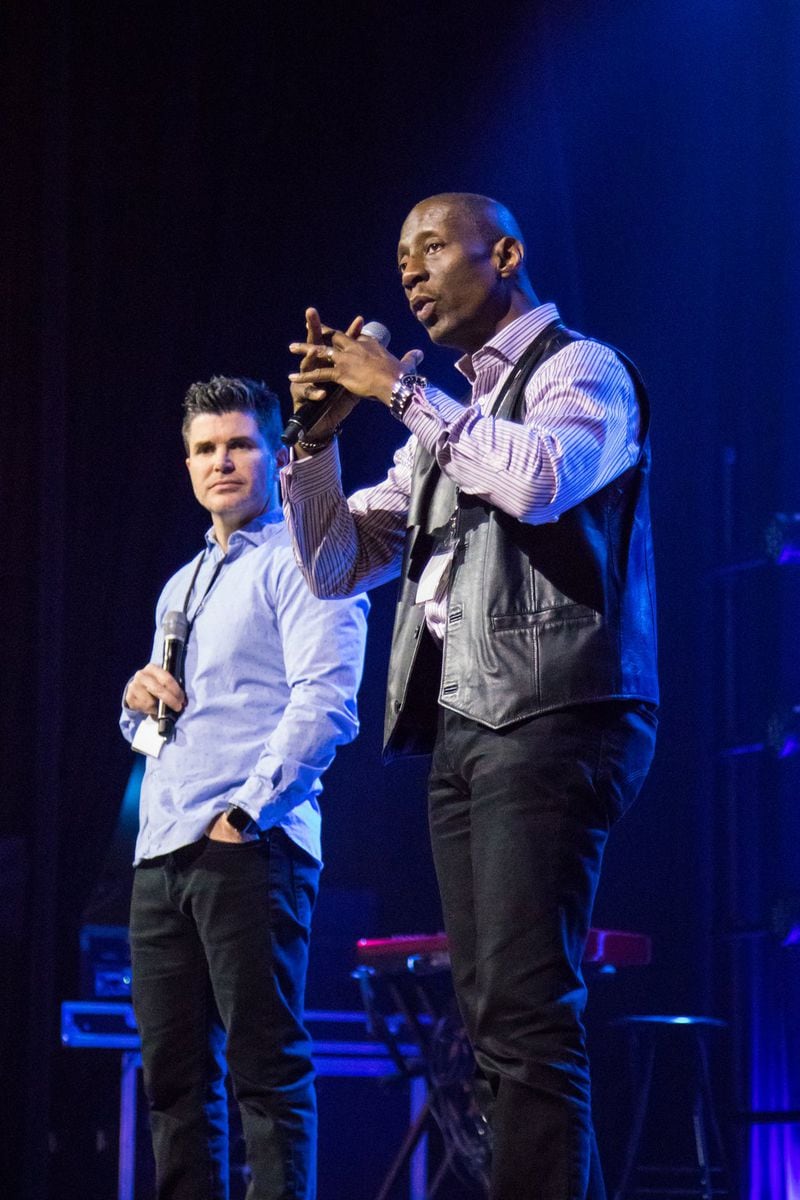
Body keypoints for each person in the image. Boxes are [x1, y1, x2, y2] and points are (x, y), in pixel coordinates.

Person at [280, 193, 659, 1200]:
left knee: (526, 1006)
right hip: (466, 726)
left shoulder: (582, 370)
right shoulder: (450, 422)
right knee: (489, 1009)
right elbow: (330, 559)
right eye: (400, 256)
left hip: (554, 710)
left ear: (505, 254)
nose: (409, 273)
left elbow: (539, 481)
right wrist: (312, 445)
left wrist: (399, 390)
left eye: (432, 249)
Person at [120, 376, 368, 1200]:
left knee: (264, 1071)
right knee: (173, 1086)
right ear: (186, 464)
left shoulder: (307, 557)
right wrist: (135, 704)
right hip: (162, 854)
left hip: (249, 844)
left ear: (274, 454)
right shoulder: (181, 584)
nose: (220, 462)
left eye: (239, 444)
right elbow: (164, 722)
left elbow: (327, 702)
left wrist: (245, 810)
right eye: (204, 449)